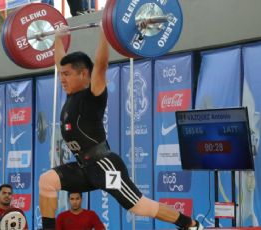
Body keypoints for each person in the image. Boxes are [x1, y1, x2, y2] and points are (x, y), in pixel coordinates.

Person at [37, 26, 203, 230]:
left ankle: (190, 224)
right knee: (47, 181)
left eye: (67, 74)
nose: (62, 78)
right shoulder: (71, 94)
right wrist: (58, 37)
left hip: (105, 166)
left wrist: (105, 29)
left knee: (140, 207)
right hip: (84, 167)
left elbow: (101, 64)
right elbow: (60, 61)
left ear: (84, 74)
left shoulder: (93, 94)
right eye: (61, 74)